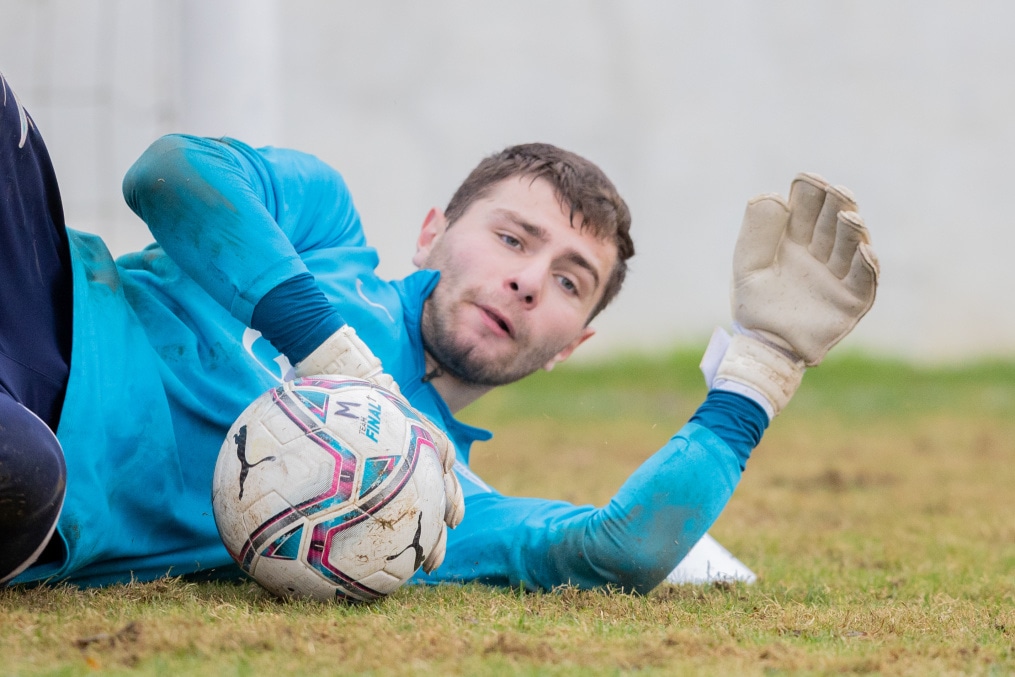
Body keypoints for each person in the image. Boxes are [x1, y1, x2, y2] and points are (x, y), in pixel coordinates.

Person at [0, 70, 879, 592]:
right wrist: (330, 353)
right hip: (35, 279)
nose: (528, 279)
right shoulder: (323, 231)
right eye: (511, 237)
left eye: (569, 281)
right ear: (429, 232)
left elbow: (622, 548)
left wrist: (760, 367)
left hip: (41, 456)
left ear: (572, 344)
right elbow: (168, 173)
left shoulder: (431, 503)